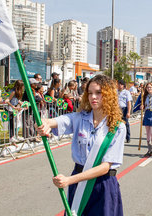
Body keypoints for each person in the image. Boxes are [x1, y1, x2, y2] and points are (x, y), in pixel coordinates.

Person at [36, 74, 125, 216]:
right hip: (78, 183)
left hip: (102, 185)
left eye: (98, 93)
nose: (93, 97)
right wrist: (43, 124)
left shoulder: (117, 127)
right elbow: (56, 121)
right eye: (90, 93)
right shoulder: (79, 118)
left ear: (108, 95)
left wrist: (69, 180)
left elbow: (105, 166)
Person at [5, 80, 25, 147]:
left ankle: (15, 136)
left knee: (16, 123)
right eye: (22, 86)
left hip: (15, 109)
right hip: (10, 109)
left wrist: (20, 102)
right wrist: (13, 106)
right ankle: (11, 137)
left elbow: (16, 99)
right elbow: (7, 100)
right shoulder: (13, 91)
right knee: (11, 123)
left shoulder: (17, 92)